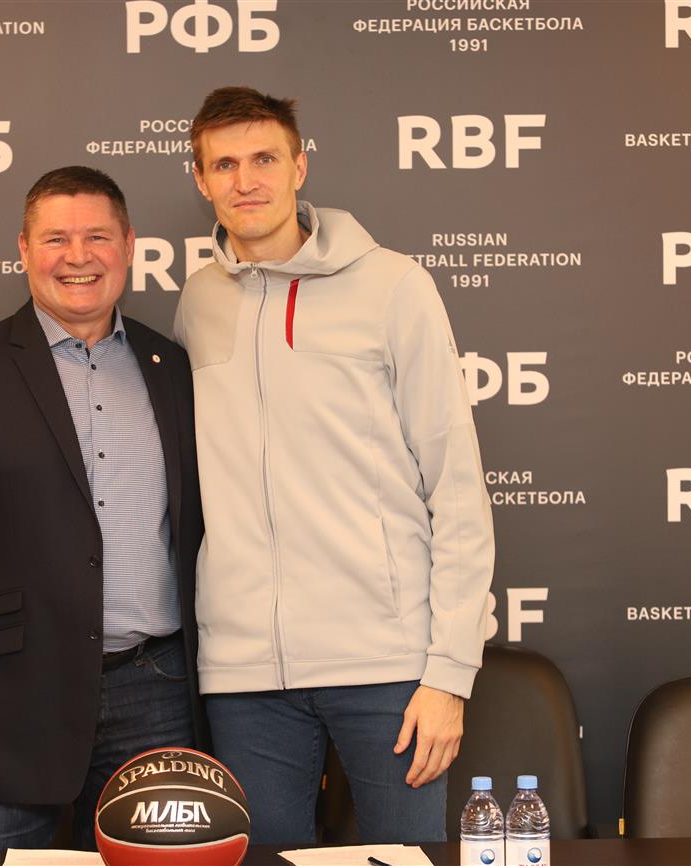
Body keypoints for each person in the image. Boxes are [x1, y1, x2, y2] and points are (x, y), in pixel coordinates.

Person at [173, 86, 495, 844]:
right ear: (201, 181)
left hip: (386, 663)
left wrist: (449, 672)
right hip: (246, 676)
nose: (246, 180)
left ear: (299, 168)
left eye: (264, 159)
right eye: (224, 164)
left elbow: (455, 485)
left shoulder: (394, 286)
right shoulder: (198, 301)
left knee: (404, 862)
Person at [0, 166, 205, 851]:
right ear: (24, 250)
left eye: (98, 237)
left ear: (129, 246)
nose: (77, 256)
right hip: (5, 705)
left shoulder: (171, 366)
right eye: (56, 238)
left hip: (156, 694)